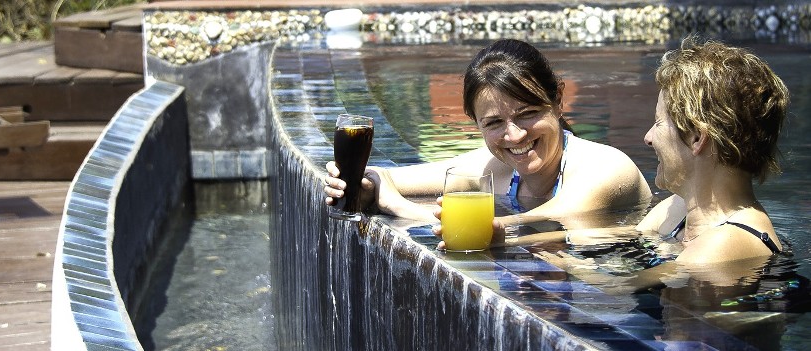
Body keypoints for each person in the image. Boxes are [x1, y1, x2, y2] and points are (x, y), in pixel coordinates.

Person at [324, 39, 652, 243]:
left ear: (558, 100)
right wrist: (361, 185)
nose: (515, 136)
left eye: (528, 113)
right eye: (494, 123)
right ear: (477, 124)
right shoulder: (496, 167)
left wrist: (398, 207)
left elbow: (533, 227)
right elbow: (390, 176)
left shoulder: (604, 168)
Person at [534, 36, 789, 289]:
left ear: (697, 138)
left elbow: (620, 288)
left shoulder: (726, 241)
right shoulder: (678, 209)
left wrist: (570, 265)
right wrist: (511, 238)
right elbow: (612, 238)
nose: (648, 138)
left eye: (657, 123)